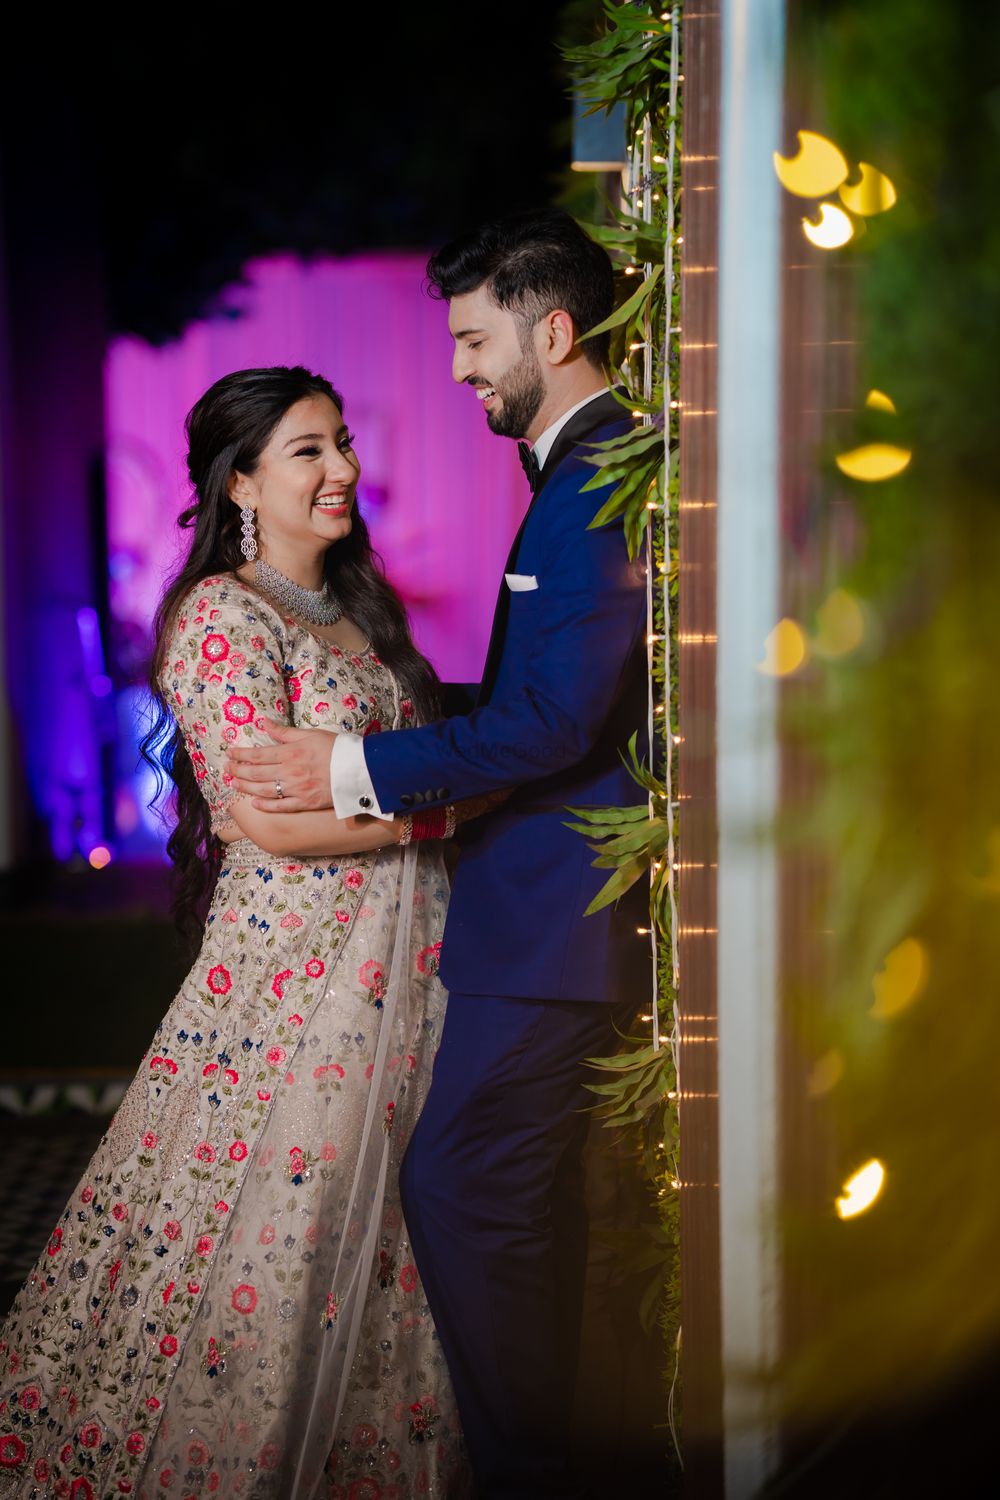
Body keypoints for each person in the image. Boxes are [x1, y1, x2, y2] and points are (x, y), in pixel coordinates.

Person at [226, 211, 651, 1499]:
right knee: (505, 1195)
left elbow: (558, 721)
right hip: (539, 917)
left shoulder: (597, 474)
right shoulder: (585, 468)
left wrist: (346, 766)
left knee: (464, 1187)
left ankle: (536, 1474)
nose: (462, 367)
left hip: (554, 923)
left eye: (474, 340)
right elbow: (542, 695)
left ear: (553, 330)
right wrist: (413, 728)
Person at [0, 367, 474, 1499]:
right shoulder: (221, 617)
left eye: (343, 442)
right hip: (297, 983)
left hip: (411, 963)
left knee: (404, 1226)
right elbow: (270, 820)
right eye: (306, 450)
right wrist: (456, 808)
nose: (342, 469)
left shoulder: (359, 612)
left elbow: (353, 781)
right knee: (283, 1224)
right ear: (242, 482)